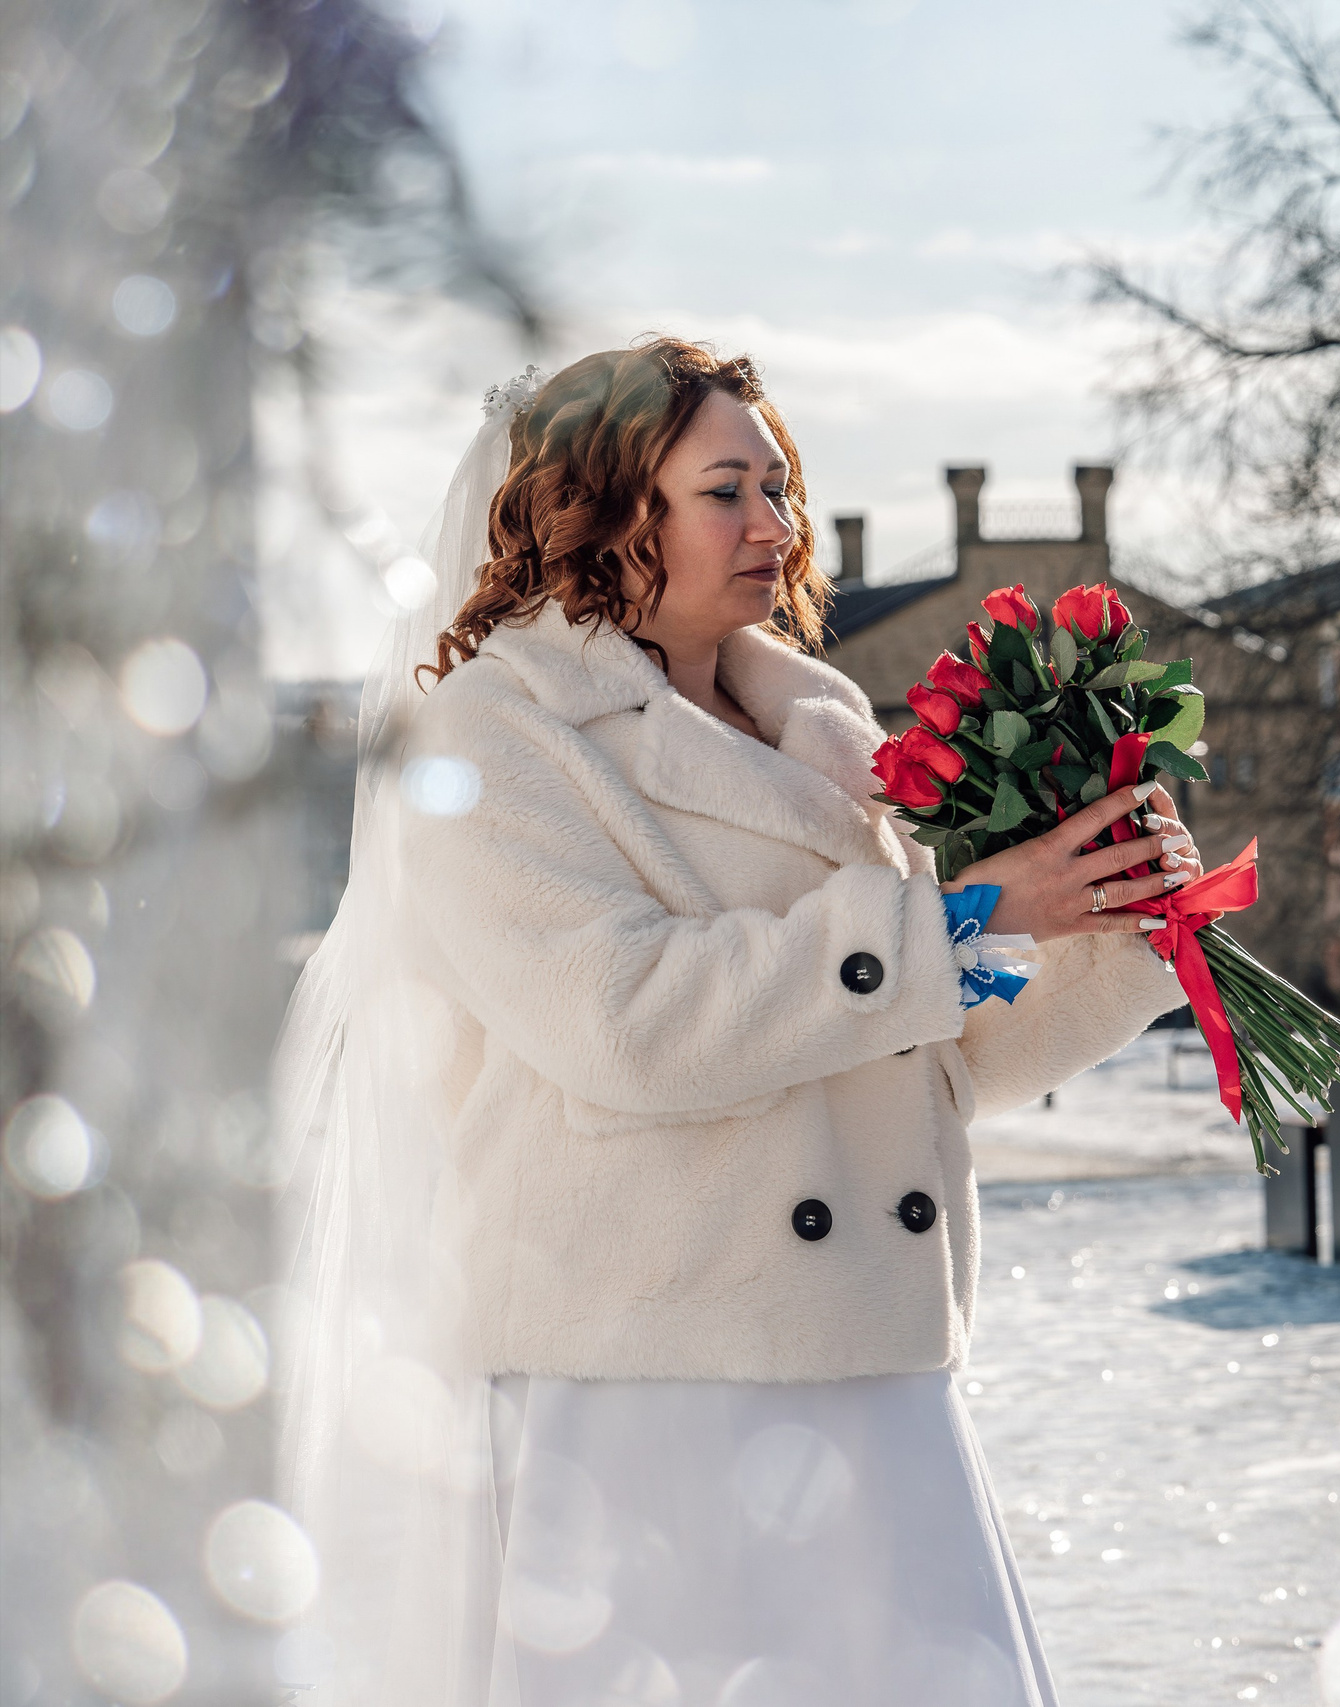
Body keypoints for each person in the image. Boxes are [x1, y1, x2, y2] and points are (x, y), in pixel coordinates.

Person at [274, 339, 1192, 1707]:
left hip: (873, 1363)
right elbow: (629, 1022)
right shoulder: (492, 735)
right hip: (644, 1380)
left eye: (779, 487)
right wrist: (965, 919)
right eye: (725, 491)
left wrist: (1106, 926)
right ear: (600, 510)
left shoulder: (825, 722)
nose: (776, 524)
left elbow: (918, 1055)